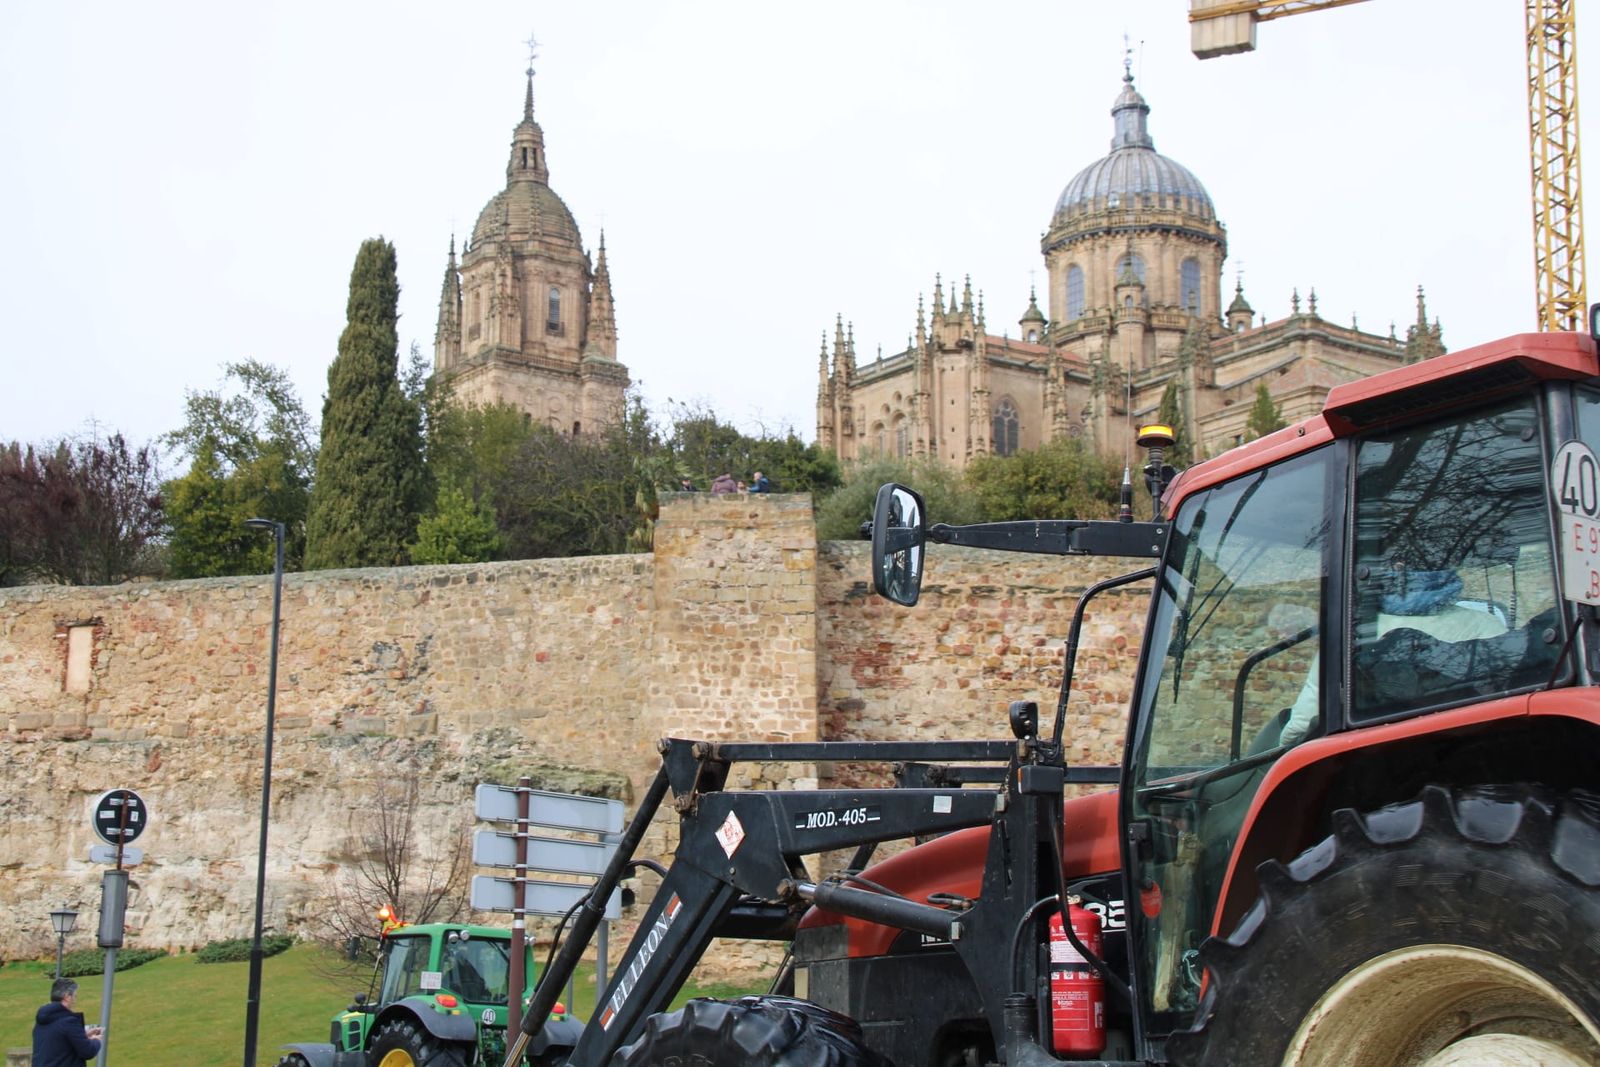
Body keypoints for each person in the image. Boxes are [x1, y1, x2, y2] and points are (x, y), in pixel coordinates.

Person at [33, 978, 102, 1067]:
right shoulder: (69, 1021)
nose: (75, 1000)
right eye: (74, 996)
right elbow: (87, 1051)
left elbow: (59, 1042)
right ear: (67, 997)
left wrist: (83, 1035)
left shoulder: (42, 1021)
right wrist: (97, 1040)